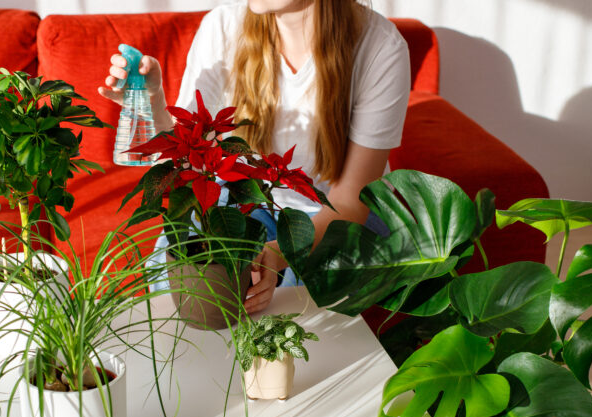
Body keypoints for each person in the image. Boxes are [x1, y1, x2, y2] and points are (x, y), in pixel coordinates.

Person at [99, 0, 410, 314]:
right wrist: (152, 102)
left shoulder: (381, 48)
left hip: (335, 219)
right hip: (247, 196)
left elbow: (349, 204)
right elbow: (185, 161)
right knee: (181, 281)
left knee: (293, 319)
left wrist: (278, 255)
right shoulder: (223, 27)